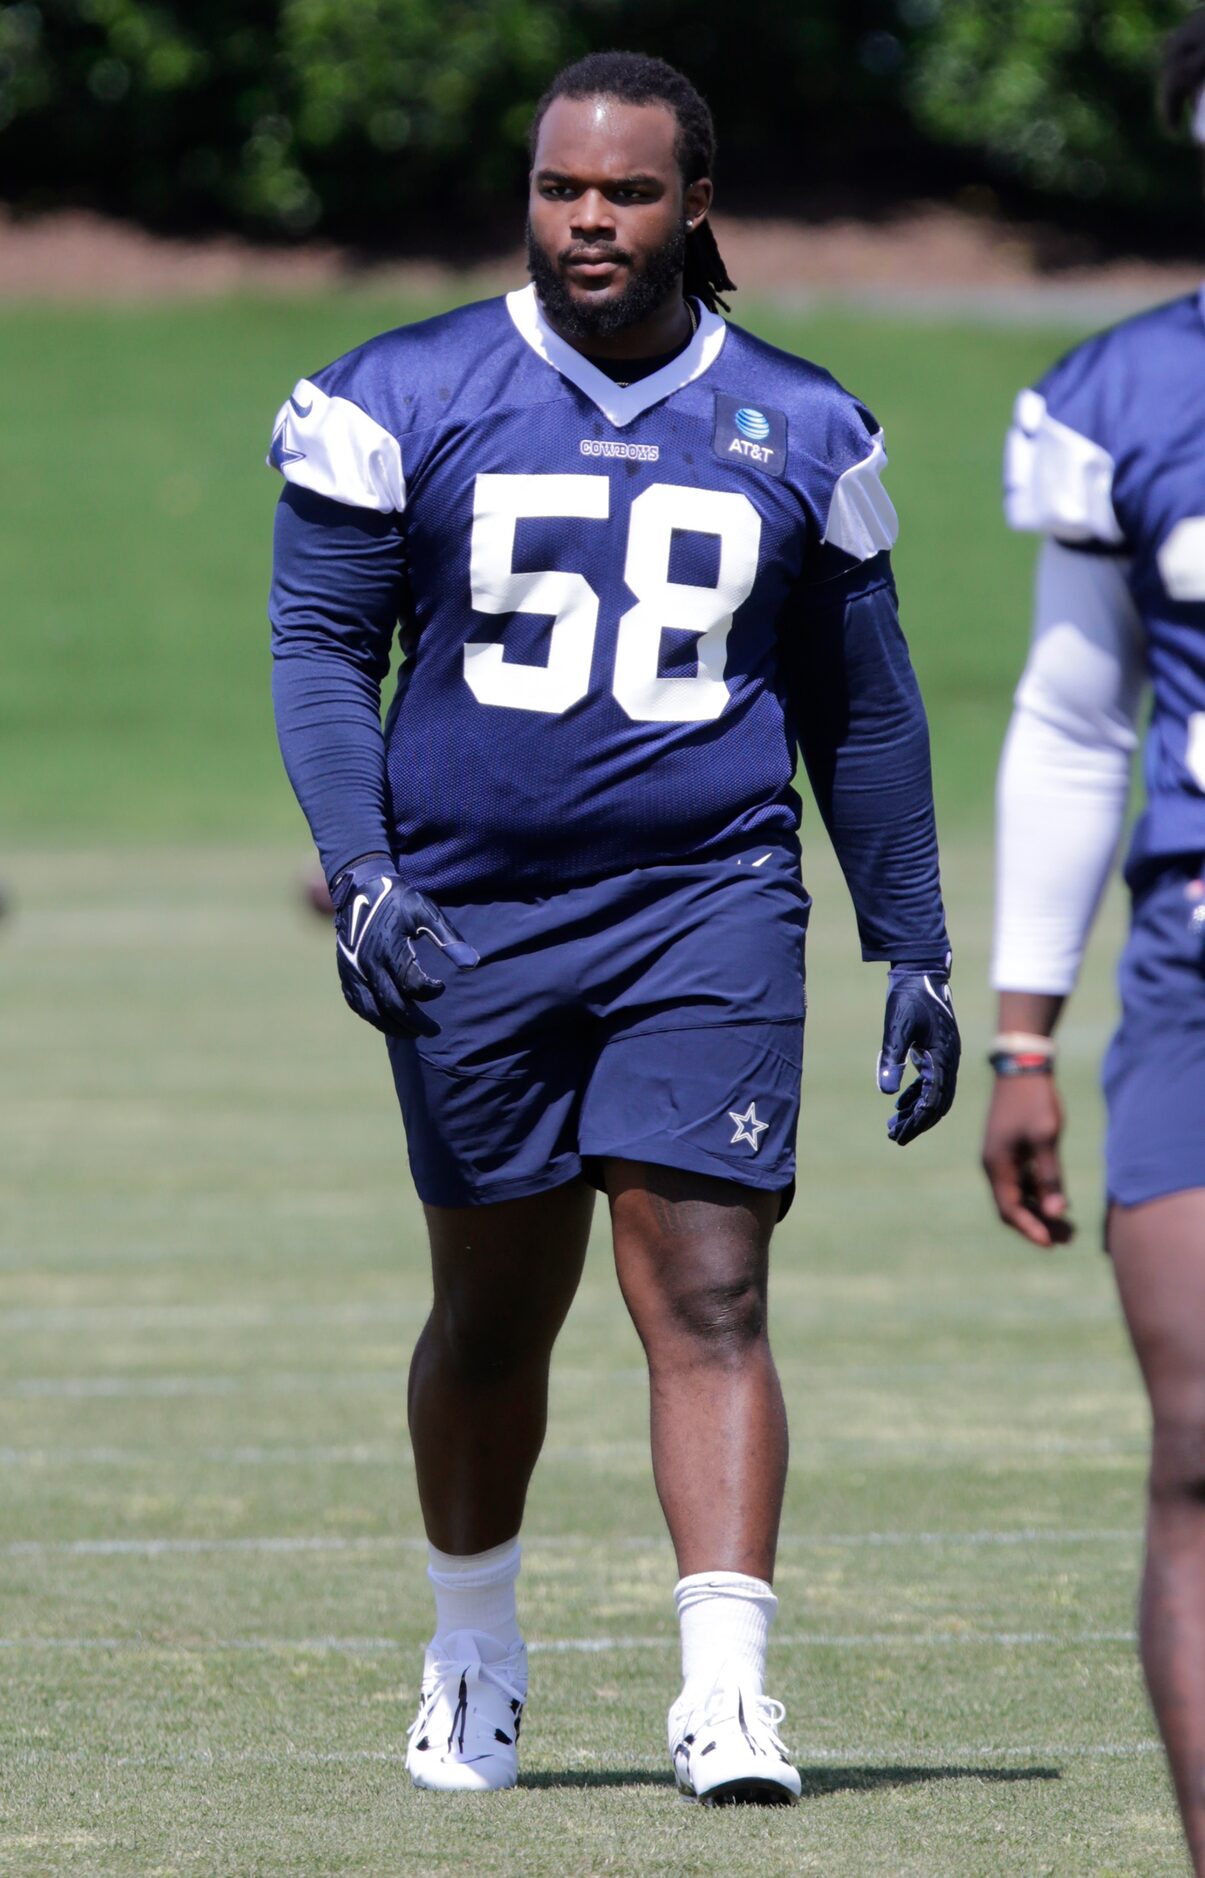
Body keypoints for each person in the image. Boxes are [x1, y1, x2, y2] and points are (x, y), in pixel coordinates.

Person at [269, 50, 958, 1805]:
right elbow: (320, 654)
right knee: (494, 1315)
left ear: (694, 203)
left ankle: (723, 1694)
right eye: (563, 188)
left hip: (706, 896)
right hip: (468, 914)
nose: (590, 220)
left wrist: (914, 944)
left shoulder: (801, 424)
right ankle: (474, 1645)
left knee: (713, 1293)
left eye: (628, 192)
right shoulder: (399, 391)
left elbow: (861, 715)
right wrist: (362, 873)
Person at [982, 13, 1205, 1867]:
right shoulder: (1124, 395)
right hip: (1198, 970)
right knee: (1200, 1446)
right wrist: (1023, 1033)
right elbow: (1072, 724)